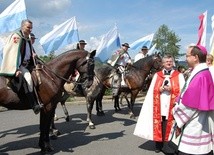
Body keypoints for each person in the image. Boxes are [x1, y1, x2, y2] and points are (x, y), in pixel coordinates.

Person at [134, 55, 185, 153]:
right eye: (166, 61)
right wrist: (159, 89)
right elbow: (152, 90)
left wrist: (172, 89)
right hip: (159, 105)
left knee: (168, 125)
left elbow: (183, 92)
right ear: (162, 63)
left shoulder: (179, 75)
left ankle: (168, 145)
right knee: (159, 123)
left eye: (170, 61)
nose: (169, 63)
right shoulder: (157, 75)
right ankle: (158, 144)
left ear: (173, 62)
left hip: (172, 105)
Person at [172, 45, 214, 155]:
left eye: (187, 56)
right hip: (199, 119)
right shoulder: (201, 72)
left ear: (195, 57)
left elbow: (190, 105)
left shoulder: (200, 76)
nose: (186, 58)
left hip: (195, 124)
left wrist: (175, 111)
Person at [0, 19, 42, 114]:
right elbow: (14, 54)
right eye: (28, 27)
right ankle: (33, 104)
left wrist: (33, 56)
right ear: (22, 26)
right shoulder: (17, 37)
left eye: (31, 28)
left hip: (29, 64)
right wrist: (16, 69)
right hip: (20, 65)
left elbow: (27, 52)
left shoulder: (27, 38)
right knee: (28, 79)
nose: (30, 29)